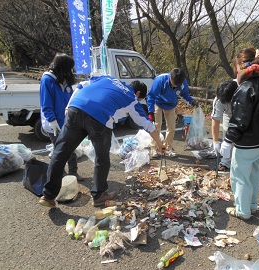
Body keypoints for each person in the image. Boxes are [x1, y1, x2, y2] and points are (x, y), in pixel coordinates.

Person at [38, 76, 166, 208]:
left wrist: (68, 106)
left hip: (75, 107)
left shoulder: (108, 79)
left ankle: (48, 195)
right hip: (99, 119)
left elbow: (81, 85)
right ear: (138, 94)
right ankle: (98, 195)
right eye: (140, 99)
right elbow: (147, 125)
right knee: (102, 158)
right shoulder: (131, 98)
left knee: (60, 153)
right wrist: (160, 144)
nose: (139, 101)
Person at [221, 48, 259, 220]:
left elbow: (239, 119)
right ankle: (251, 205)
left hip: (247, 140)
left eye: (237, 66)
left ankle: (242, 211)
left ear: (242, 67)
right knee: (254, 173)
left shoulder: (246, 87)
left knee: (239, 176)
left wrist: (228, 140)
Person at [39, 53, 82, 181]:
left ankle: (73, 173)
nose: (71, 71)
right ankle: (60, 175)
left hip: (66, 121)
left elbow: (70, 100)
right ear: (63, 67)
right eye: (69, 68)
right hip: (54, 123)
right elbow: (46, 104)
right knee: (59, 150)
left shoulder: (63, 80)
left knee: (71, 148)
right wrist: (52, 120)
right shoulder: (47, 80)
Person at [147, 67, 199, 158]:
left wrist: (192, 102)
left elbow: (185, 94)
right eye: (174, 84)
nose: (175, 87)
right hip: (158, 103)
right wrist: (150, 112)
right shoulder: (160, 80)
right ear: (170, 77)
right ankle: (154, 148)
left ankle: (167, 148)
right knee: (156, 126)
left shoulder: (183, 83)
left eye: (177, 86)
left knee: (171, 127)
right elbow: (151, 96)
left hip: (171, 105)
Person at [211, 80, 238, 172]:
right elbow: (216, 120)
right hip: (228, 114)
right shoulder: (219, 100)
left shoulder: (244, 92)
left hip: (244, 113)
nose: (227, 103)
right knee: (227, 135)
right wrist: (215, 141)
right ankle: (226, 161)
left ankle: (241, 162)